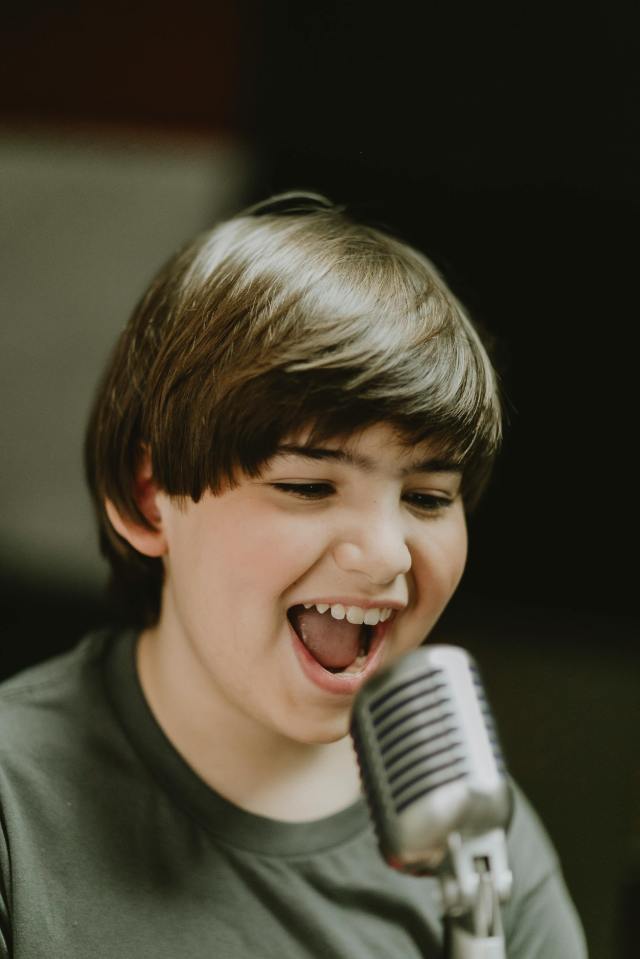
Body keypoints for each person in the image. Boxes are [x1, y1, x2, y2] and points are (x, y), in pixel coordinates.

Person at [0, 193, 587, 957]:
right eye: (309, 486)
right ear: (150, 497)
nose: (387, 553)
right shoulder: (15, 804)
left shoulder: (485, 848)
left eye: (427, 497)